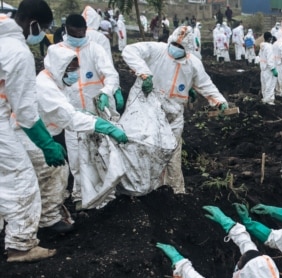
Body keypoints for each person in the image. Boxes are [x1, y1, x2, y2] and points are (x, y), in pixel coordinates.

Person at [21, 45, 127, 235]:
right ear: (59, 67)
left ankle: (45, 215)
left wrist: (88, 114)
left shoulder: (58, 82)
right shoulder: (45, 86)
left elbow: (69, 109)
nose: (74, 74)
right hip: (29, 137)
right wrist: (105, 126)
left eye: (75, 69)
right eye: (70, 70)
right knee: (53, 172)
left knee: (50, 175)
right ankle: (48, 221)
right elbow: (70, 118)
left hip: (43, 133)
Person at [122, 26, 229, 194]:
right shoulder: (157, 50)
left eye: (181, 48)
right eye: (174, 45)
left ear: (188, 50)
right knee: (146, 150)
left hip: (173, 113)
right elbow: (129, 50)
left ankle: (175, 193)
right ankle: (141, 190)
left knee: (172, 155)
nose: (176, 49)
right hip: (148, 109)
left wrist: (219, 102)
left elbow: (205, 84)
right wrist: (144, 73)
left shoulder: (193, 64)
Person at [1, 0, 66, 262]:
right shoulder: (18, 53)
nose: (42, 34)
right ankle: (20, 245)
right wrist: (47, 144)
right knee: (21, 179)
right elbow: (25, 111)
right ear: (33, 23)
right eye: (44, 28)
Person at [60, 14, 122, 207]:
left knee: (101, 154)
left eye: (81, 33)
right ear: (66, 30)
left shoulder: (94, 49)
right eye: (74, 33)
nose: (78, 37)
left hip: (95, 110)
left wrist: (107, 92)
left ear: (86, 30)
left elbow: (110, 74)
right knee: (76, 158)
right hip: (71, 113)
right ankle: (80, 195)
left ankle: (106, 195)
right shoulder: (58, 52)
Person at [259, 32, 278, 105]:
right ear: (270, 38)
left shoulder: (262, 46)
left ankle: (265, 99)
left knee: (264, 85)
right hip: (268, 69)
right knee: (270, 85)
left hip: (263, 69)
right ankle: (269, 101)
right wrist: (273, 69)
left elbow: (260, 57)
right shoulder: (269, 47)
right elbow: (270, 59)